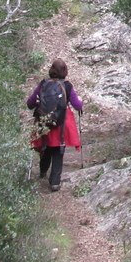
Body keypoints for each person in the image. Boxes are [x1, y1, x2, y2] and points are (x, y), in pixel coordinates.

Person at [26, 58, 83, 193]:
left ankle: (42, 171)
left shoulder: (43, 84)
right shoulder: (67, 86)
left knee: (45, 148)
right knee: (58, 150)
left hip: (44, 123)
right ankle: (55, 182)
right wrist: (80, 101)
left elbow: (30, 103)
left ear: (51, 70)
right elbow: (77, 105)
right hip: (61, 124)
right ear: (65, 71)